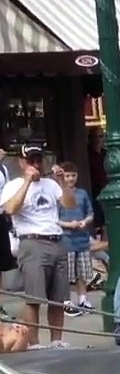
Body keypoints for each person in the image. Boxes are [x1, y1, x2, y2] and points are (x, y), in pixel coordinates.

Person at [1, 148, 77, 348]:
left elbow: (70, 204)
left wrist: (62, 182)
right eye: (31, 160)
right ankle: (34, 342)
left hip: (56, 239)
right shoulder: (13, 185)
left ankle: (57, 340)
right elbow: (10, 209)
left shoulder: (50, 184)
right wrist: (27, 182)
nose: (36, 164)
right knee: (33, 297)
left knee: (58, 297)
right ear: (22, 162)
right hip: (32, 241)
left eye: (39, 160)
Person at [57, 162, 95, 317]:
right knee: (67, 273)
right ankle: (67, 301)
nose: (70, 179)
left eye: (73, 175)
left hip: (82, 238)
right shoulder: (58, 194)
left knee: (82, 273)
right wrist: (68, 224)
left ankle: (83, 299)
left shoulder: (82, 194)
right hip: (66, 239)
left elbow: (90, 213)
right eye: (67, 176)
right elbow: (54, 218)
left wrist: (85, 221)